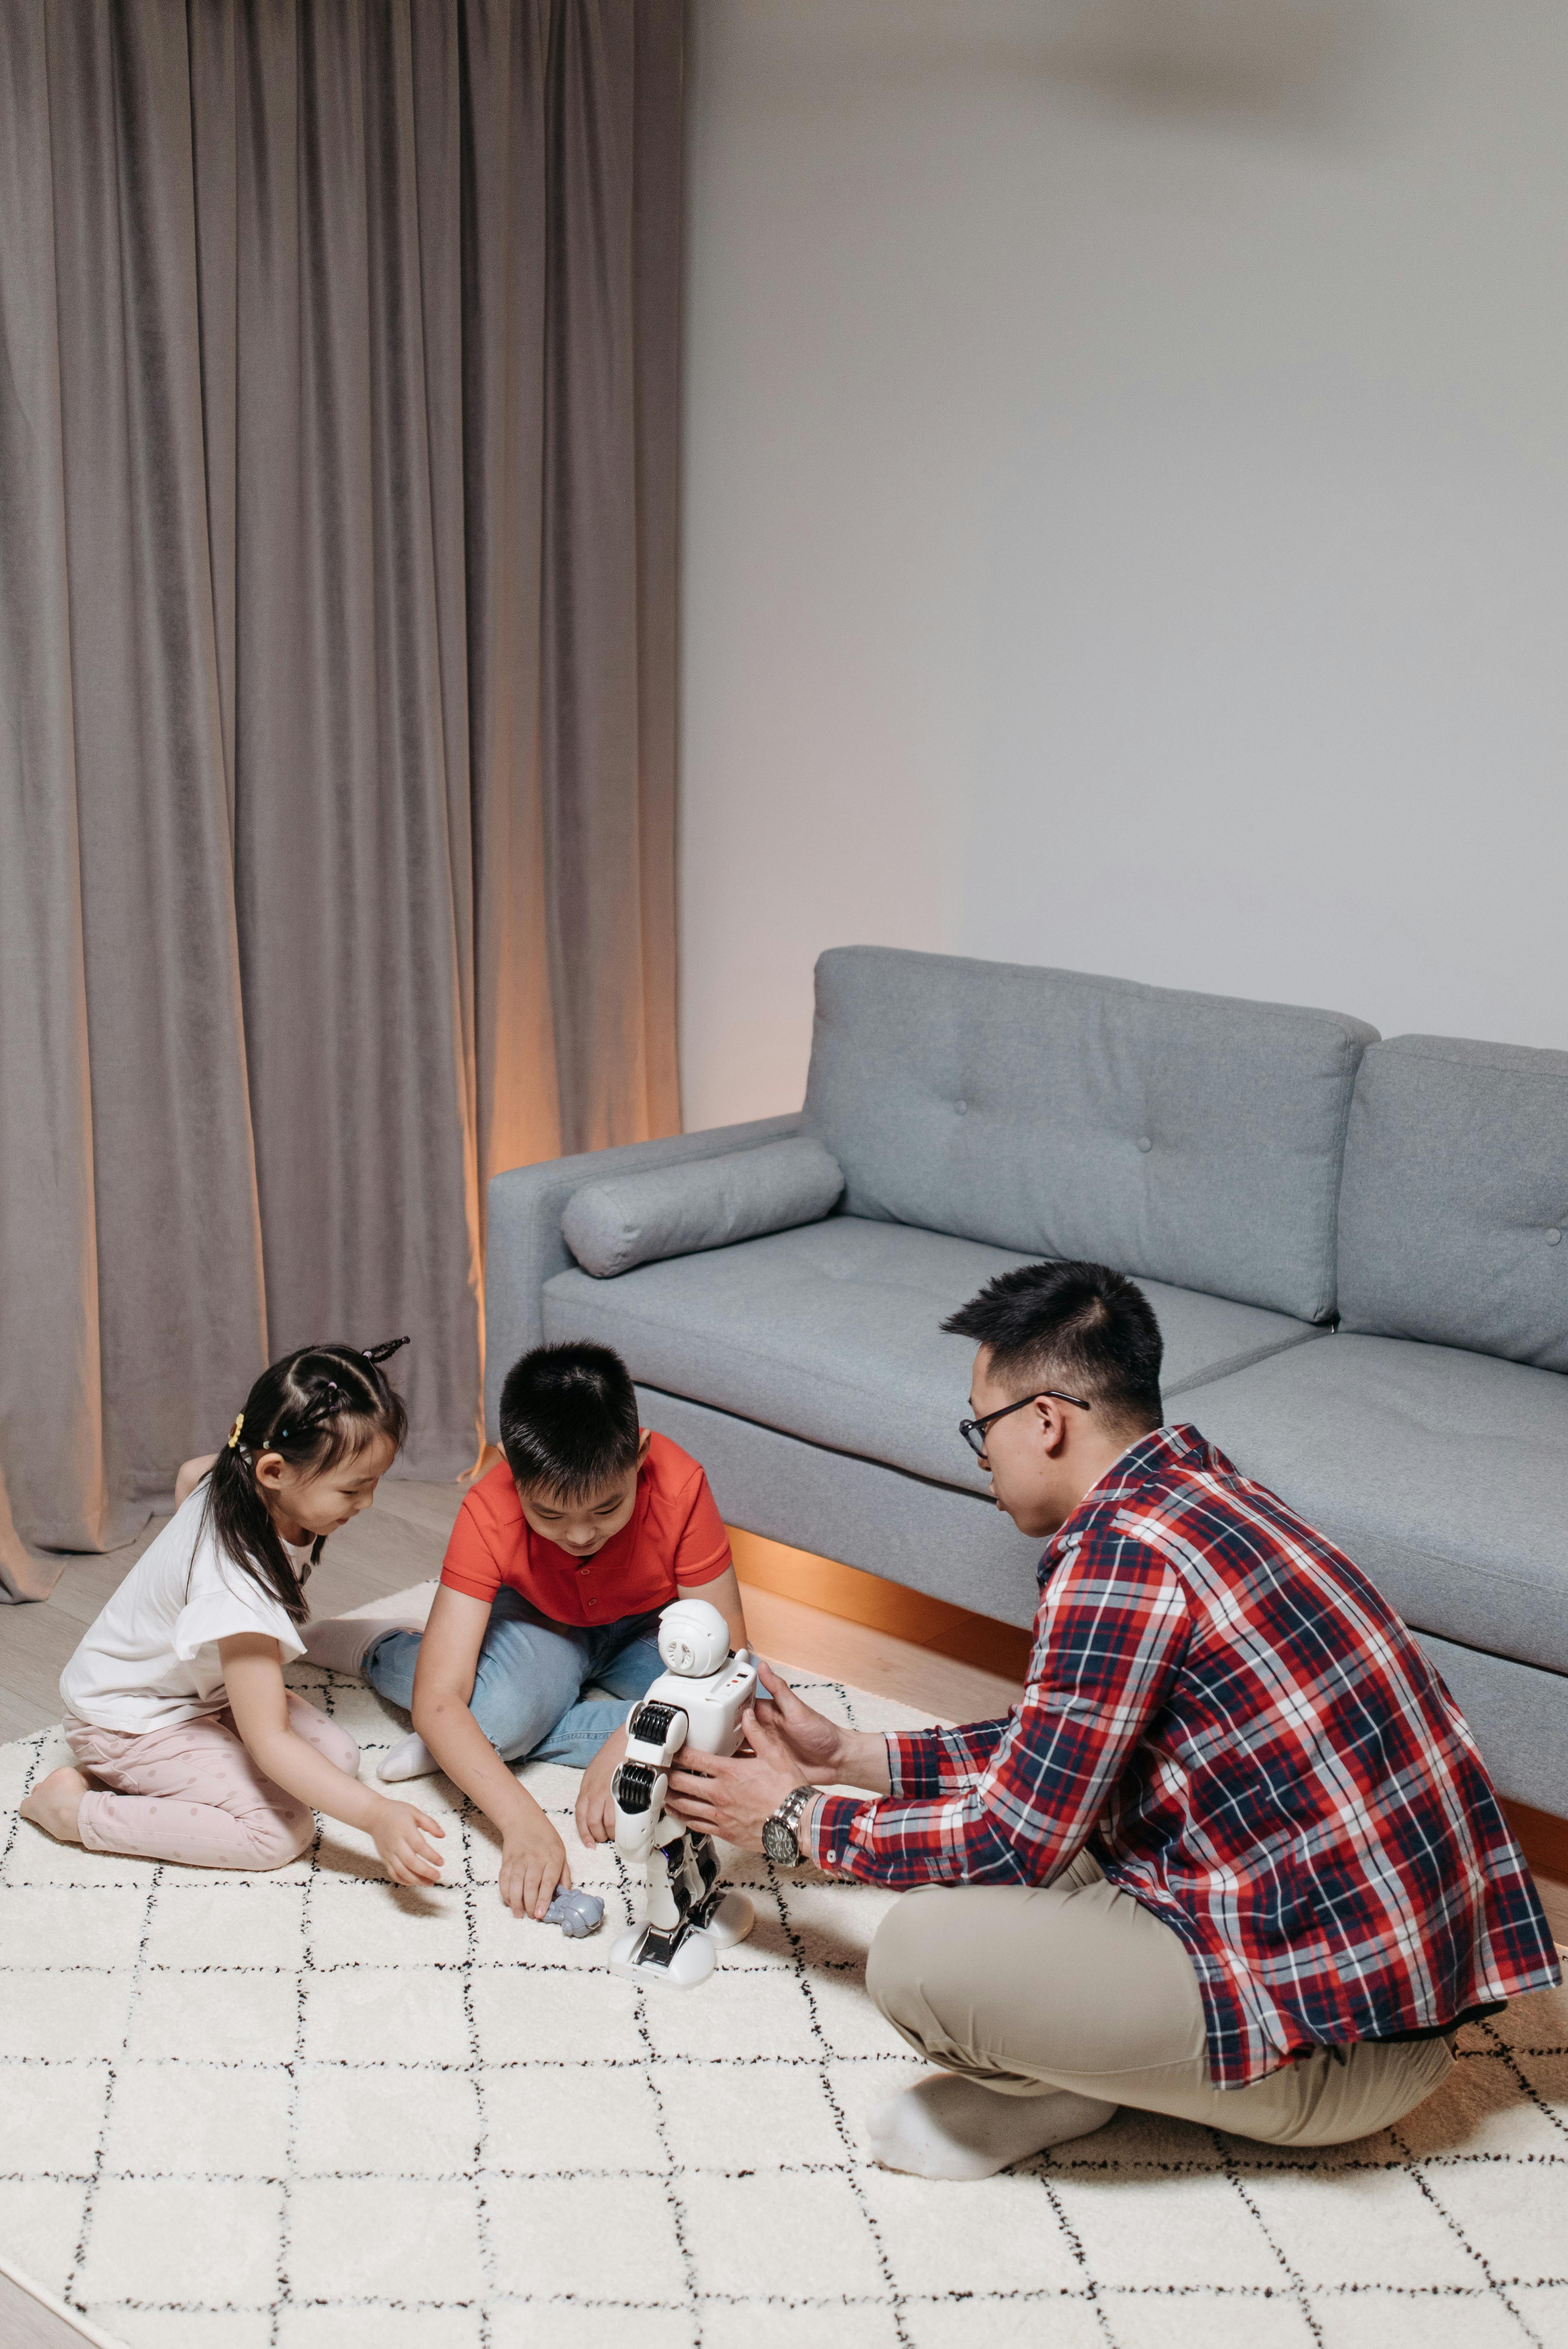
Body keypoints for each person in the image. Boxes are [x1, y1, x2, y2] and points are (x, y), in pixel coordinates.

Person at [665, 1261, 1562, 2180]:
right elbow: (1060, 1750)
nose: (981, 1461)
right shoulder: (1202, 1497)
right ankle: (1098, 2052)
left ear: (1045, 1421)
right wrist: (851, 1754)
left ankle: (1075, 2083)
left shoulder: (1119, 1559)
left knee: (921, 1958)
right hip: (1390, 1989)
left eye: (982, 1430)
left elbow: (1006, 1842)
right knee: (1036, 1839)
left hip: (1340, 2055)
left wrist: (787, 1820)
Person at [304, 1340, 749, 1925]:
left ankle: (481, 1743)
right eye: (551, 1516)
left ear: (639, 1457)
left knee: (751, 1711)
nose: (582, 1536)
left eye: (606, 1509)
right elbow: (439, 1698)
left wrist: (633, 1740)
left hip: (651, 1626)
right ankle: (381, 1648)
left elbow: (733, 1654)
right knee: (488, 1717)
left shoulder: (680, 1482)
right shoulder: (488, 1508)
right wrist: (523, 1822)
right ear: (513, 1476)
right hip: (543, 1619)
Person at [19, 1342, 445, 1891]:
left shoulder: (234, 1470)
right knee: (279, 1831)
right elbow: (268, 1740)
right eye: (353, 1487)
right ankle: (71, 1812)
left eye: (374, 1481)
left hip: (199, 1694)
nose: (366, 1502)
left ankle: (166, 1773)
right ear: (273, 1470)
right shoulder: (237, 1591)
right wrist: (376, 1816)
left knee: (337, 1762)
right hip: (127, 1717)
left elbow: (189, 1472)